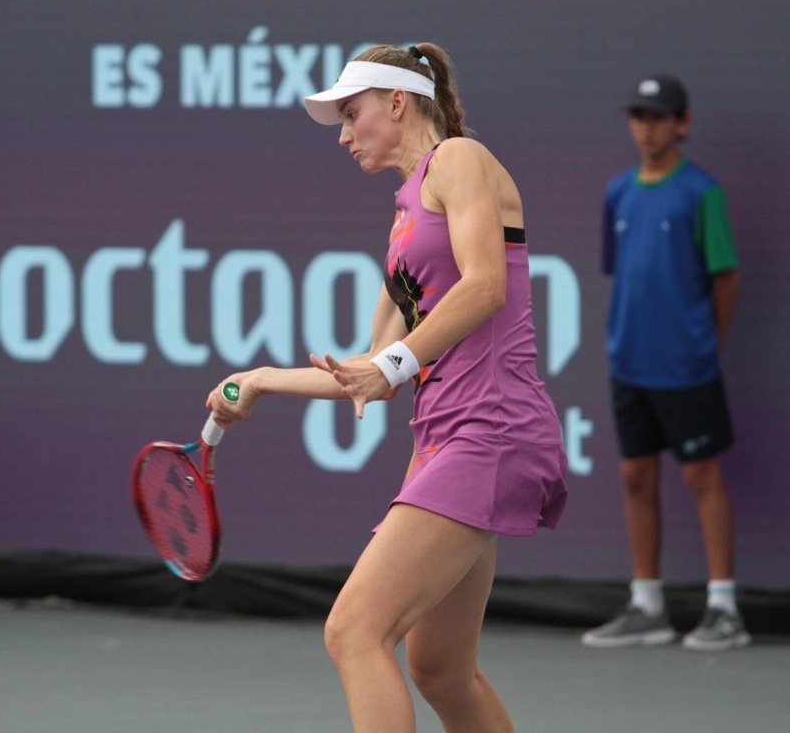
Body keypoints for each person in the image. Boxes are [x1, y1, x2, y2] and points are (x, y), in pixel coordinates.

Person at [207, 43, 568, 733]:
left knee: (352, 632)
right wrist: (260, 379)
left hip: (490, 430)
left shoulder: (460, 160)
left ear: (397, 101)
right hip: (446, 438)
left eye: (352, 114)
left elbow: (484, 285)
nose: (343, 135)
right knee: (439, 670)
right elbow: (369, 370)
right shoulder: (403, 219)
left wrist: (394, 363)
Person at [581, 74, 747, 652]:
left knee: (703, 477)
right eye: (639, 116)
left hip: (687, 366)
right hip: (629, 360)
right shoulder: (617, 193)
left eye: (659, 116)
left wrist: (704, 343)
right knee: (635, 477)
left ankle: (724, 606)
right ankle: (647, 604)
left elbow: (725, 276)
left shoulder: (703, 193)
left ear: (683, 124)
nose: (647, 127)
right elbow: (623, 273)